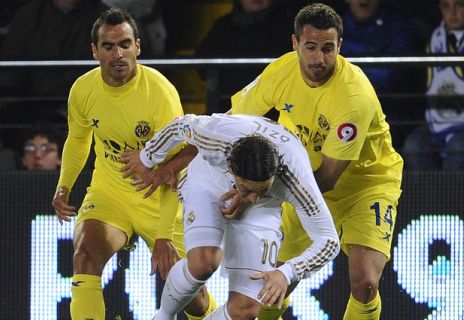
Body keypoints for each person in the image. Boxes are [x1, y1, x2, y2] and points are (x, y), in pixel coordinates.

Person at [230, 3, 403, 319]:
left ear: (340, 46)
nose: (319, 58)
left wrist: (255, 193)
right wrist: (189, 156)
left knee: (365, 284)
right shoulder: (280, 72)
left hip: (365, 185)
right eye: (310, 47)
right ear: (295, 44)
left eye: (327, 49)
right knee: (271, 285)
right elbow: (233, 122)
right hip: (299, 178)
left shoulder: (354, 97)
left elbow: (326, 179)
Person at [51, 8, 215, 320]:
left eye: (125, 44)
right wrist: (64, 186)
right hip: (111, 192)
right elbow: (78, 139)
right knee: (85, 255)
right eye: (109, 46)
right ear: (95, 51)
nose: (118, 54)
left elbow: (177, 166)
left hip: (161, 200)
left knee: (196, 301)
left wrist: (164, 234)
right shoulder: (83, 90)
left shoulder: (160, 94)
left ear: (138, 47)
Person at [119, 113, 339, 319]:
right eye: (248, 190)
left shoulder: (296, 181)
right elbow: (180, 124)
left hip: (266, 208)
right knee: (203, 262)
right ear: (231, 167)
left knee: (246, 310)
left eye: (262, 188)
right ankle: (163, 316)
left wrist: (288, 272)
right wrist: (147, 156)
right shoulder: (214, 138)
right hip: (208, 183)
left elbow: (329, 242)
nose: (252, 199)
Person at [340, 0, 426, 148]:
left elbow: (389, 75)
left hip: (392, 115)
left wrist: (344, 66)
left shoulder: (400, 26)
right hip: (343, 110)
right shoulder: (332, 27)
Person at [194, 0, 293, 116]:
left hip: (274, 108)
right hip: (229, 106)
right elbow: (202, 63)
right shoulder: (223, 26)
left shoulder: (287, 26)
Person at [402, 0, 464, 170]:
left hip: (461, 126)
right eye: (446, 6)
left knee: (458, 149)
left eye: (459, 5)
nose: (452, 12)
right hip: (436, 124)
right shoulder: (434, 39)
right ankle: (429, 196)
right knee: (413, 146)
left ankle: (452, 197)